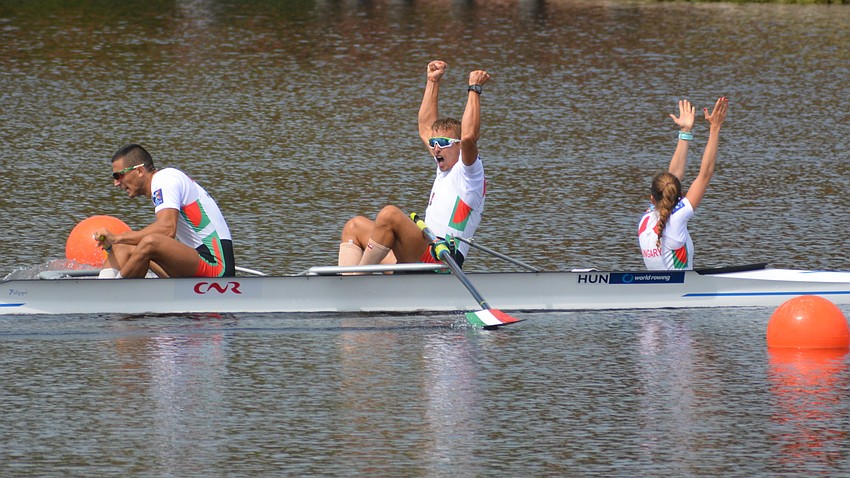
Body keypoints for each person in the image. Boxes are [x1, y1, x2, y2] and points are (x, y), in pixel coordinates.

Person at [337, 60, 489, 269]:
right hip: (425, 250)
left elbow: (470, 135)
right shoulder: (442, 164)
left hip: (443, 261)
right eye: (434, 143)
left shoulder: (469, 174)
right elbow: (426, 126)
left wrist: (474, 88)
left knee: (389, 214)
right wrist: (432, 81)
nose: (436, 148)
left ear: (459, 146)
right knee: (354, 226)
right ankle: (349, 288)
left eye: (443, 143)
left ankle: (358, 281)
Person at [94, 143, 236, 278]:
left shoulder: (165, 179)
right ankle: (101, 293)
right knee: (122, 247)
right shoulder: (162, 183)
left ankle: (114, 291)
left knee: (151, 242)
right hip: (198, 259)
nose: (116, 183)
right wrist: (114, 244)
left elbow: (167, 229)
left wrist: (117, 237)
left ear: (139, 171)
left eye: (118, 175)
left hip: (217, 266)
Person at [638, 97, 729, 270]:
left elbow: (673, 178)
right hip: (680, 293)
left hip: (661, 291)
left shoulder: (646, 219)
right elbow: (705, 174)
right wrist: (715, 128)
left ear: (652, 199)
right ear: (678, 196)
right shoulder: (677, 219)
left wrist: (686, 130)